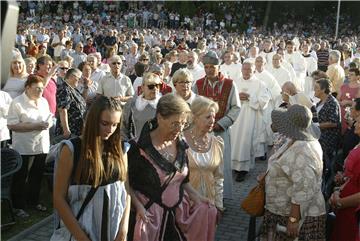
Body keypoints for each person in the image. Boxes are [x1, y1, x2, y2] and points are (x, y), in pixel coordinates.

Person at [127, 94, 217, 241]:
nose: (179, 129)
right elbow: (125, 185)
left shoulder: (181, 143)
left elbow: (183, 181)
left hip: (178, 219)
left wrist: (199, 198)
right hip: (149, 221)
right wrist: (138, 207)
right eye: (175, 124)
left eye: (183, 124)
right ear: (160, 117)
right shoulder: (137, 148)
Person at [52, 96, 131, 241]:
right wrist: (82, 238)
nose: (110, 130)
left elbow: (126, 190)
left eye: (115, 125)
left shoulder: (121, 149)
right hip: (80, 230)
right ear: (93, 120)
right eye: (105, 123)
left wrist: (123, 230)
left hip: (113, 231)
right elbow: (58, 198)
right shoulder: (71, 150)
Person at [260, 104, 326, 241]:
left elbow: (303, 188)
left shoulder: (303, 149)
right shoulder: (296, 140)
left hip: (293, 217)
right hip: (281, 212)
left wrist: (293, 219)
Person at [193, 50, 241, 199]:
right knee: (202, 164)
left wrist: (222, 123)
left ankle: (220, 198)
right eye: (206, 67)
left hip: (221, 131)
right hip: (201, 132)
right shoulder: (199, 84)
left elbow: (236, 107)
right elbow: (193, 106)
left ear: (218, 67)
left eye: (211, 67)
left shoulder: (229, 84)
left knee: (220, 164)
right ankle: (203, 195)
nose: (208, 70)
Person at [7, 75, 53, 217]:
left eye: (42, 88)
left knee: (37, 175)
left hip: (41, 144)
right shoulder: (17, 102)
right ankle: (18, 206)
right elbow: (12, 125)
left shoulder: (44, 101)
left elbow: (49, 117)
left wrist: (48, 124)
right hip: (23, 146)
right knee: (21, 176)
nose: (40, 91)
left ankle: (33, 201)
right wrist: (34, 125)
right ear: (27, 87)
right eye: (37, 88)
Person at [183, 96, 224, 213]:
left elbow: (219, 177)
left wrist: (219, 206)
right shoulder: (181, 140)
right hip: (185, 204)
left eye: (214, 117)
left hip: (209, 205)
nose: (212, 121)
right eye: (208, 117)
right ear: (195, 118)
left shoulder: (217, 143)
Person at [231, 61, 270, 182]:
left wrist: (249, 97)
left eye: (249, 69)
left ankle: (243, 170)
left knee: (246, 142)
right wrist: (237, 96)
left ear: (254, 71)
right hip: (235, 117)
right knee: (234, 141)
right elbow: (229, 97)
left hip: (250, 117)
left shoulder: (260, 84)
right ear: (241, 70)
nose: (246, 72)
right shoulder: (235, 82)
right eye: (244, 69)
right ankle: (234, 167)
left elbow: (264, 101)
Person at [329, 115, 360, 241]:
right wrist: (338, 190)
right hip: (344, 202)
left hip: (353, 210)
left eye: (359, 121)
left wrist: (340, 202)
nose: (355, 123)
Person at [314, 78, 341, 198]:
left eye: (316, 88)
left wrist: (317, 126)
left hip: (327, 142)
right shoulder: (320, 102)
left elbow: (334, 122)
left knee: (327, 170)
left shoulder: (332, 102)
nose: (314, 90)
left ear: (324, 89)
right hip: (319, 140)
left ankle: (324, 195)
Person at [121, 72, 161, 141]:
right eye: (151, 86)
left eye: (157, 86)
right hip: (136, 146)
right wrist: (127, 144)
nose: (155, 89)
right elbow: (123, 126)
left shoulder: (164, 104)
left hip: (158, 147)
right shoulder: (132, 103)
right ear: (142, 87)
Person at [56, 68, 87, 139]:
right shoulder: (64, 89)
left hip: (77, 129)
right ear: (72, 76)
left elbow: (82, 102)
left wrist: (86, 87)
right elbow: (63, 110)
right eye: (78, 78)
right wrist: (66, 130)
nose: (79, 81)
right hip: (70, 130)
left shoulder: (73, 89)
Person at [337, 68, 360, 133]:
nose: (349, 76)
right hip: (341, 114)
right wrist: (340, 102)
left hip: (352, 115)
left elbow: (358, 102)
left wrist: (348, 102)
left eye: (351, 75)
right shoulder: (343, 86)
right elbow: (337, 99)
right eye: (348, 74)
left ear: (358, 76)